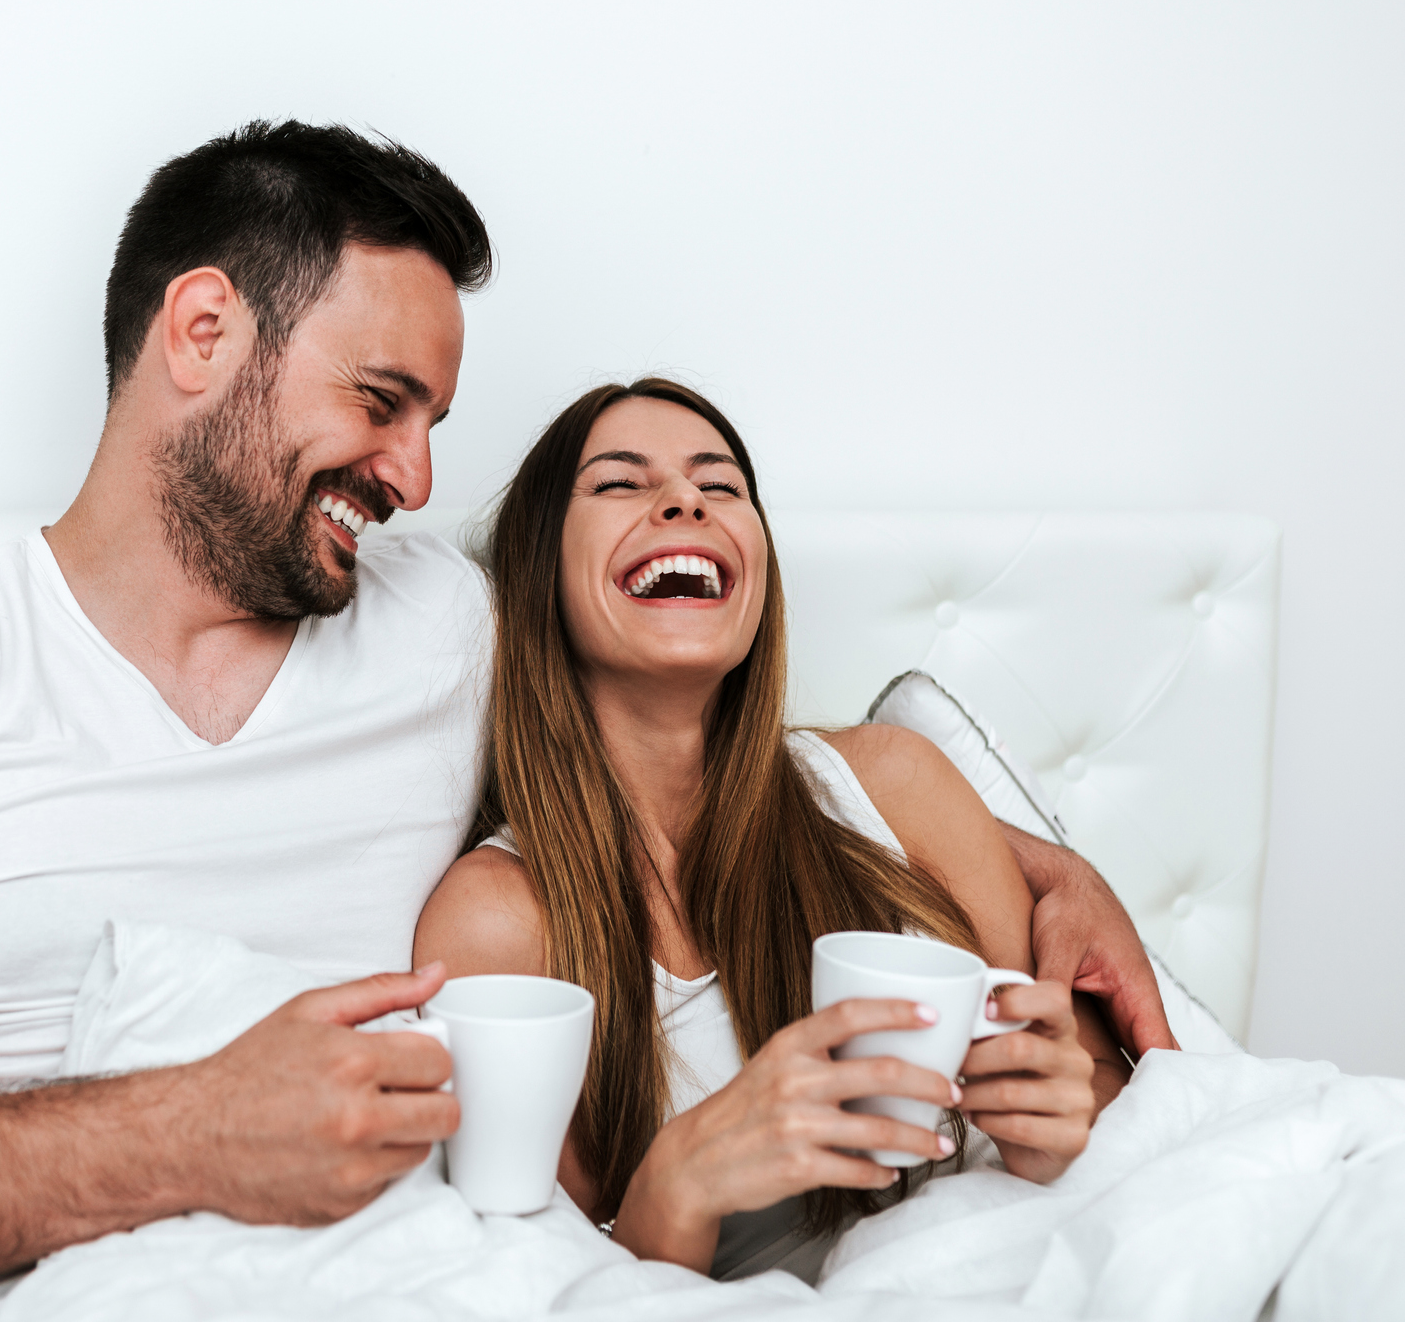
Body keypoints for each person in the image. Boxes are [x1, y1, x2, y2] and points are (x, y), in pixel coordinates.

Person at [0, 121, 1171, 1320]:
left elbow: (709, 728)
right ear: (203, 332)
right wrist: (181, 1133)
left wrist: (1035, 864)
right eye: (380, 401)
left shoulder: (445, 630)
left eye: (432, 424)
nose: (417, 479)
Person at [415, 377, 1133, 1282]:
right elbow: (546, 1290)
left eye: (719, 487)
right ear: (537, 570)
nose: (684, 499)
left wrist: (1056, 1123)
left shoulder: (897, 785)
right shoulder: (495, 925)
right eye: (619, 484)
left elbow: (1107, 1119)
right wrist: (677, 1184)